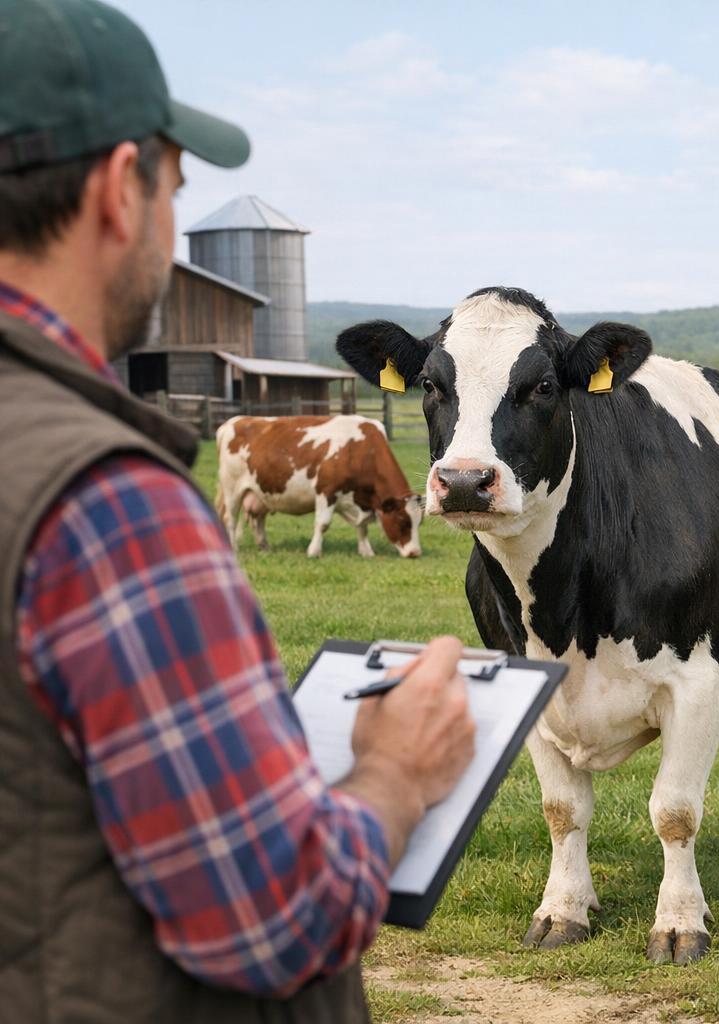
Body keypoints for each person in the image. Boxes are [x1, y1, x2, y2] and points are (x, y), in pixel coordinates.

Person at [0, 1, 475, 1020]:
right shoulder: (103, 504)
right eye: (173, 185)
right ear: (114, 191)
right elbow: (273, 909)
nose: (170, 219)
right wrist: (392, 774)